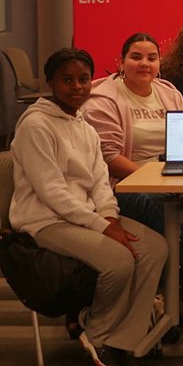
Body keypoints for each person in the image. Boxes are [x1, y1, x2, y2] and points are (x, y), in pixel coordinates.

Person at [9, 48, 167, 365]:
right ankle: (97, 333)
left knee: (155, 247)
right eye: (67, 80)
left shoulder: (84, 125)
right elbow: (52, 192)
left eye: (83, 79)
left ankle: (125, 337)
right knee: (119, 262)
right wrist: (104, 227)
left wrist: (109, 216)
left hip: (86, 217)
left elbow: (99, 182)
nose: (77, 86)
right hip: (45, 221)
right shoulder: (36, 126)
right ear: (50, 81)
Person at [80, 33, 183, 298]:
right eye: (136, 57)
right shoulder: (103, 98)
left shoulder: (168, 92)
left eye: (151, 58)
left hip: (173, 174)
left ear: (159, 63)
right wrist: (157, 178)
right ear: (121, 62)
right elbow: (109, 157)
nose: (145, 64)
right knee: (153, 200)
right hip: (126, 184)